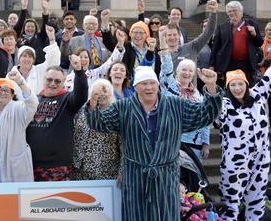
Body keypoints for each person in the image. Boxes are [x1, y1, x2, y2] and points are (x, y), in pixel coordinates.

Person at [85, 65, 222, 221]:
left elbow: (205, 114)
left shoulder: (176, 105)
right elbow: (99, 123)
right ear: (135, 87)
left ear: (158, 85)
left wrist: (211, 87)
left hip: (166, 178)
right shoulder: (123, 107)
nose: (149, 87)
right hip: (135, 178)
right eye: (144, 83)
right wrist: (93, 104)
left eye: (152, 83)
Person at [215, 69, 270, 220]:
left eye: (240, 84)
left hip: (260, 161)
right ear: (227, 87)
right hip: (235, 165)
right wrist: (210, 85)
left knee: (257, 202)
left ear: (246, 84)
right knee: (230, 205)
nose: (237, 88)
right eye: (233, 85)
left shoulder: (258, 96)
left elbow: (269, 76)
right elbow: (213, 107)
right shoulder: (224, 104)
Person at [27, 55, 87, 181]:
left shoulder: (67, 99)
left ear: (64, 82)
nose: (53, 84)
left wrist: (79, 72)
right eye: (49, 80)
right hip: (31, 164)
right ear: (43, 80)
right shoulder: (34, 100)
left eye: (57, 81)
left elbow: (81, 96)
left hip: (59, 166)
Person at [0, 70, 38, 183]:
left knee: (13, 199)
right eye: (0, 89)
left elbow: (32, 103)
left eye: (7, 91)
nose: (3, 92)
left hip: (11, 166)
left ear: (12, 95)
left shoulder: (18, 110)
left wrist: (20, 81)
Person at [158, 48, 209, 161]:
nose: (187, 73)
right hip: (172, 142)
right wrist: (164, 48)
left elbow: (205, 118)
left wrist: (206, 142)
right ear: (177, 71)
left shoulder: (198, 95)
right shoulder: (169, 86)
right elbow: (166, 66)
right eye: (184, 70)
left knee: (193, 177)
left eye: (190, 71)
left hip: (195, 143)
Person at [72, 79, 121, 181]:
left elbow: (123, 146)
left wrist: (122, 171)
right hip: (79, 170)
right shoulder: (82, 111)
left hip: (106, 172)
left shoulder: (116, 114)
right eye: (97, 91)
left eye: (104, 91)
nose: (100, 94)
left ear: (110, 94)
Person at [210, 0, 264, 84]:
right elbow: (215, 48)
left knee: (247, 88)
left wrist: (254, 34)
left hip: (247, 64)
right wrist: (212, 65)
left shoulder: (251, 24)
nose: (232, 13)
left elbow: (259, 43)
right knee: (230, 87)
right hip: (228, 64)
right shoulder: (222, 27)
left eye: (234, 10)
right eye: (229, 11)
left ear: (241, 12)